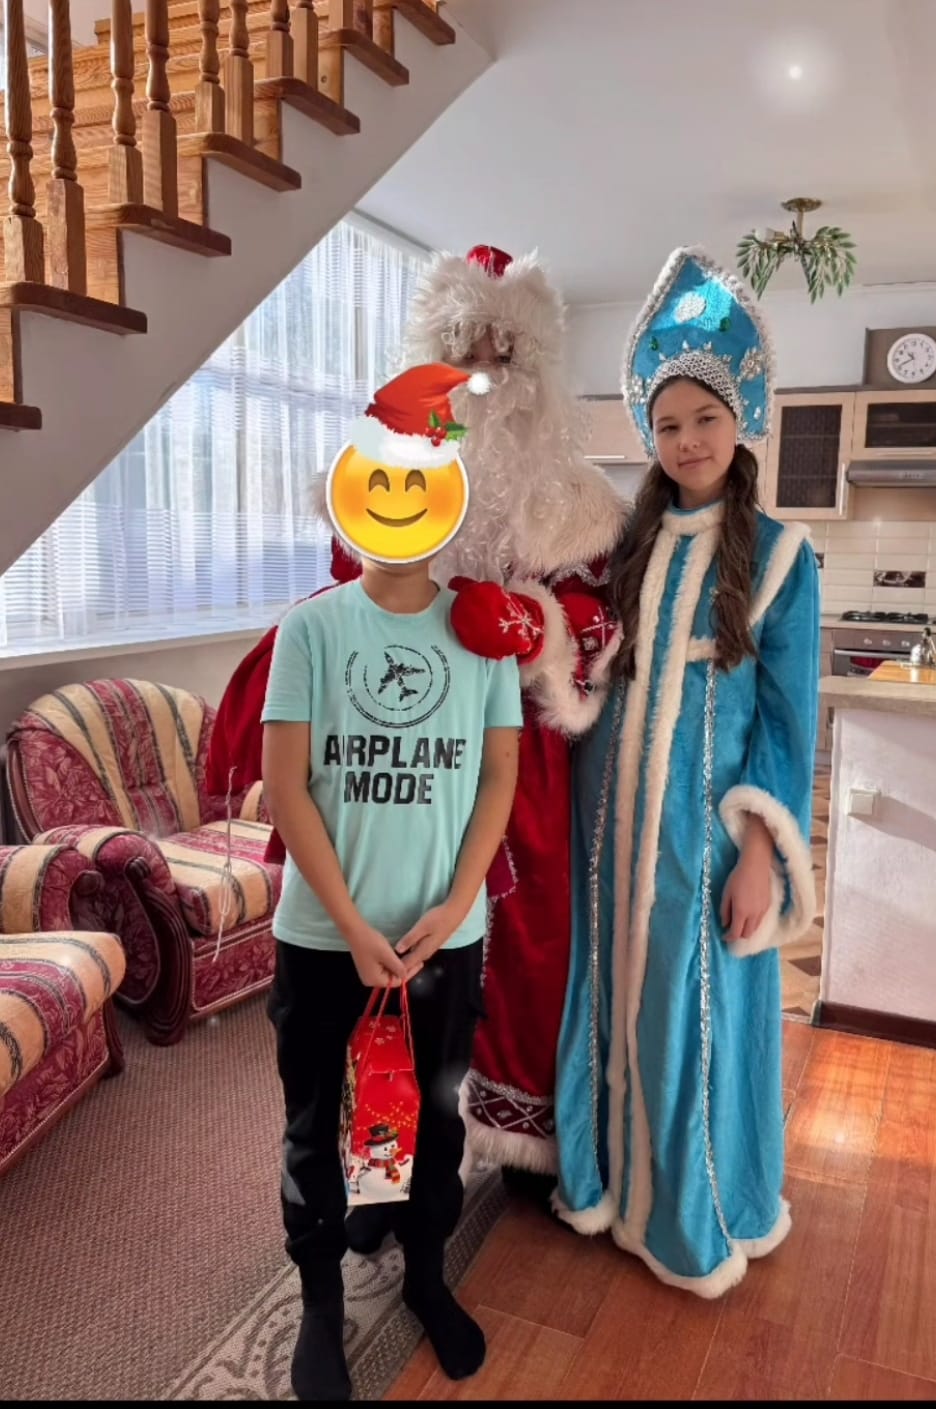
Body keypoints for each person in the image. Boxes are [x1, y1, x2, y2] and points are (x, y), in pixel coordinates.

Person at [552, 247, 821, 1299]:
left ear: (738, 420)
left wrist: (757, 852)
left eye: (704, 418)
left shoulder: (783, 555)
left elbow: (787, 723)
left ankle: (692, 1214)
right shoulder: (623, 542)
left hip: (702, 838)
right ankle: (605, 1184)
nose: (686, 441)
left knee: (691, 1016)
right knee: (608, 997)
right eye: (666, 424)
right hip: (605, 834)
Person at [262, 362, 522, 1400]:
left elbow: (497, 774)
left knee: (428, 1120)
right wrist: (348, 919)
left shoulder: (481, 634)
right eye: (377, 480)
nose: (396, 502)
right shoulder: (312, 629)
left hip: (440, 938)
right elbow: (287, 785)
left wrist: (455, 906)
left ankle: (422, 1276)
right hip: (324, 937)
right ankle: (320, 1304)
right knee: (312, 1120)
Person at [401, 244, 626, 1191]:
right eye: (468, 351)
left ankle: (521, 1135)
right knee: (404, 944)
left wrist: (537, 624)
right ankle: (395, 1155)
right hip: (410, 739)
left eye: (509, 354)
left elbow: (603, 613)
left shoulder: (578, 499)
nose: (488, 375)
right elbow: (345, 591)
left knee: (530, 935)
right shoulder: (394, 474)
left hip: (525, 747)